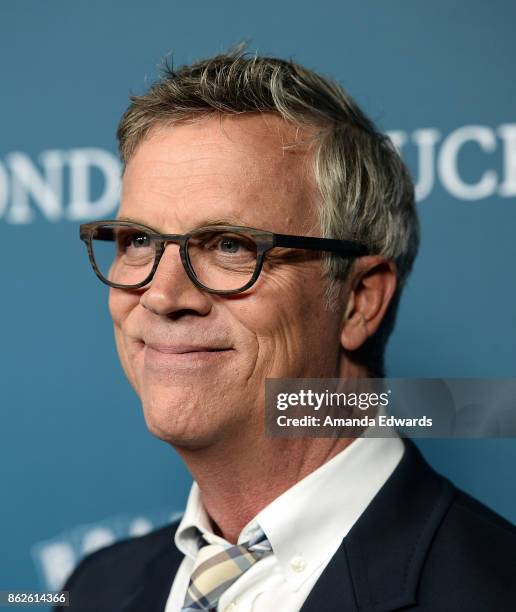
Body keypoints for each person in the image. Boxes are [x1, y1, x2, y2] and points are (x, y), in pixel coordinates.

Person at [60, 50, 515, 611]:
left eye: (230, 245)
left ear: (358, 301)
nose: (161, 296)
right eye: (139, 242)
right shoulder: (93, 589)